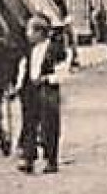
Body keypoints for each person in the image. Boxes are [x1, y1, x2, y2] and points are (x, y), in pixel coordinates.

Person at [14, 13, 70, 174]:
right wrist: (19, 86)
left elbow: (62, 70)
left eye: (30, 31)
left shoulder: (55, 49)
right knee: (30, 123)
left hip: (47, 90)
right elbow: (24, 68)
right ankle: (29, 158)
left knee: (49, 125)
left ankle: (51, 160)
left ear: (40, 32)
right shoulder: (30, 50)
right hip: (31, 90)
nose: (27, 34)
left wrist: (47, 78)